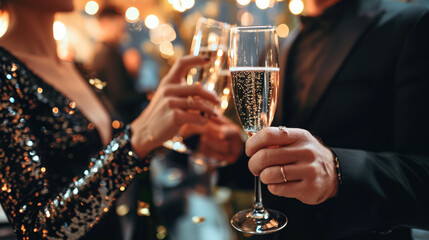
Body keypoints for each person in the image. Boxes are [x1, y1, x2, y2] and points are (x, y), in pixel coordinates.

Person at [0, 0, 231, 239]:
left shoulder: (77, 67)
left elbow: (106, 151)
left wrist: (176, 132)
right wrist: (137, 139)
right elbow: (37, 231)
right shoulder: (3, 74)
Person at [244, 0, 429, 239]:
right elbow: (284, 164)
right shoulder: (288, 45)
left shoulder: (415, 22)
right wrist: (229, 154)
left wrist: (337, 172)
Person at [92, 5, 147, 124]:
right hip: (120, 121)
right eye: (119, 25)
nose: (123, 30)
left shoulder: (99, 52)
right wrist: (147, 95)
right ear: (105, 23)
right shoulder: (109, 54)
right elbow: (118, 97)